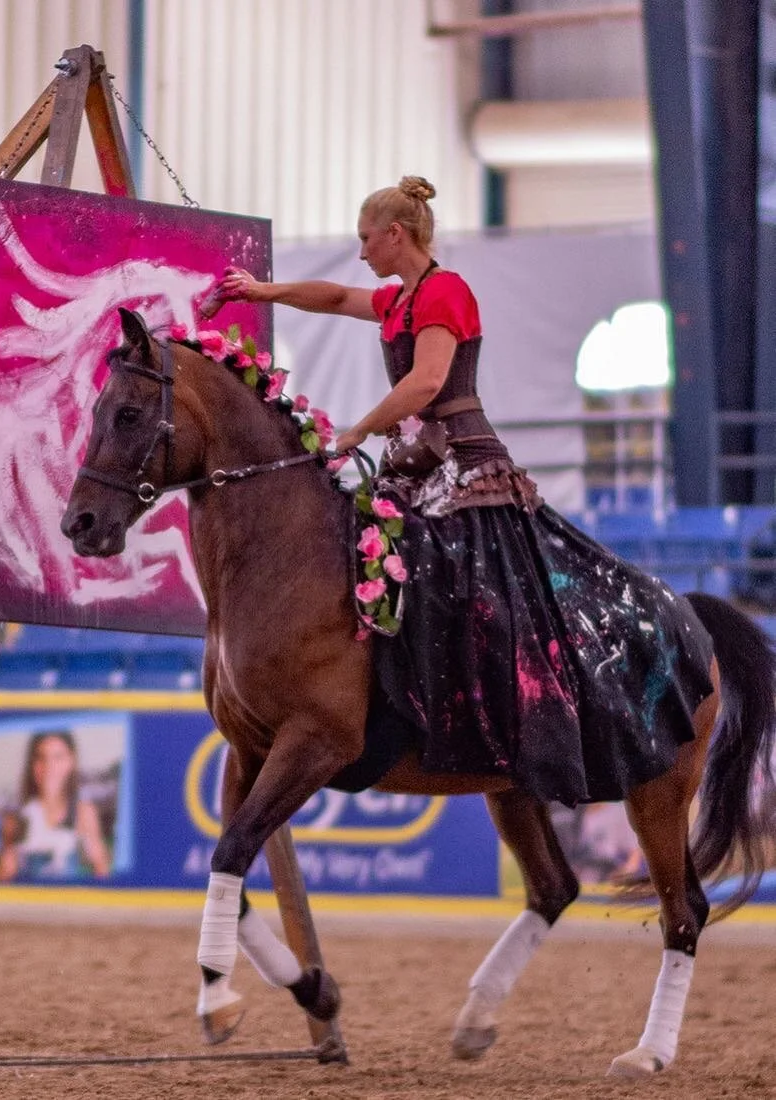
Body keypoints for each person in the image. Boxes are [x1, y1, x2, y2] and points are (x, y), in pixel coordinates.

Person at [217, 176, 714, 806]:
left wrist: (359, 430)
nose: (361, 252)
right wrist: (263, 291)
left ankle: (504, 703)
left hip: (464, 464)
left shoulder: (444, 292)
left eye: (367, 239)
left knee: (468, 583)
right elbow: (337, 296)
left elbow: (427, 383)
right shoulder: (401, 298)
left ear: (396, 235)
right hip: (418, 462)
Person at [0, 730, 112, 882]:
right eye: (40, 758)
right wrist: (4, 870)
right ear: (31, 764)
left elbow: (103, 872)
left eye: (58, 757)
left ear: (71, 761)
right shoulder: (14, 819)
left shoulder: (83, 813)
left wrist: (97, 859)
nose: (49, 766)